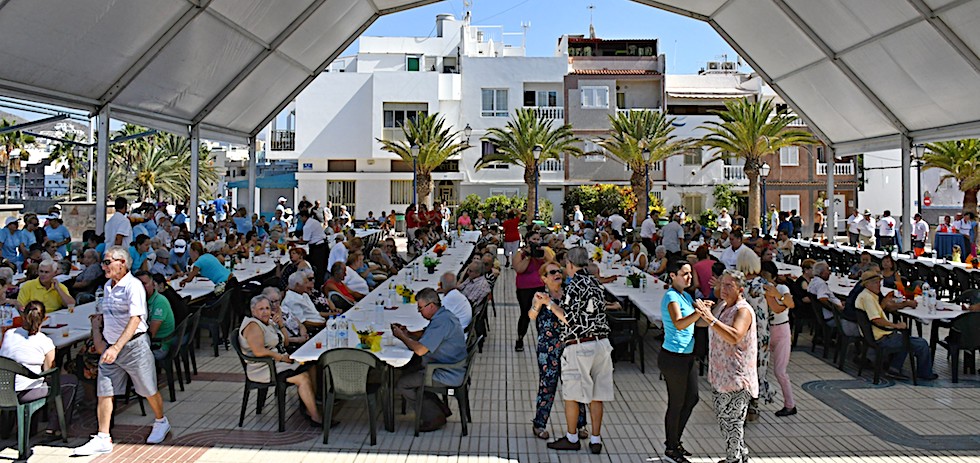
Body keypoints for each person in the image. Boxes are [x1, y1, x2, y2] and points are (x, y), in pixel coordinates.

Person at [72, 246, 171, 456]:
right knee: (105, 391)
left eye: (108, 262)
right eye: (103, 262)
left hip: (134, 346)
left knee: (148, 389)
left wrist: (117, 347)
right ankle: (103, 436)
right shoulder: (108, 286)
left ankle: (161, 421)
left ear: (122, 263)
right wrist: (100, 329)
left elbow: (136, 319)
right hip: (112, 347)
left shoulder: (133, 286)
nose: (104, 266)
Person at [537, 247, 612, 454]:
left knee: (572, 394)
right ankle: (596, 439)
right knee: (597, 395)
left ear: (570, 264)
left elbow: (569, 318)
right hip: (602, 344)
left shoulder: (574, 285)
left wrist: (549, 304)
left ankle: (571, 437)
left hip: (580, 345)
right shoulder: (596, 282)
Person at [694, 269, 757, 463]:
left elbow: (734, 335)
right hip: (720, 375)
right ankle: (741, 453)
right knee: (725, 421)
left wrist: (710, 319)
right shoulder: (722, 306)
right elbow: (704, 325)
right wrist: (702, 313)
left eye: (730, 285)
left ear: (740, 289)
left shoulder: (743, 310)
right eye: (723, 284)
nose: (724, 289)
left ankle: (734, 459)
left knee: (733, 422)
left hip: (737, 377)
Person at [239, 294, 322, 425]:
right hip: (264, 368)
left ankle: (310, 404)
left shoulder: (268, 323)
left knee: (311, 365)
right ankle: (315, 417)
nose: (265, 311)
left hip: (277, 363)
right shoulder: (253, 326)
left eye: (267, 308)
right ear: (253, 311)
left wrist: (280, 325)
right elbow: (258, 351)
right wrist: (281, 357)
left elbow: (286, 343)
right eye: (261, 309)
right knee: (303, 377)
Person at [0, 300, 78, 438]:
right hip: (25, 393)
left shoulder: (9, 334)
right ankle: (54, 428)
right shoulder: (45, 342)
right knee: (70, 382)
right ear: (44, 318)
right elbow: (49, 372)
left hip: (4, 389)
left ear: (22, 316)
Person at [393, 288, 467, 431]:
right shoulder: (443, 315)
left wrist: (402, 337)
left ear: (431, 306)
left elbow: (420, 350)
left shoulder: (441, 322)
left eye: (420, 308)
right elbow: (427, 334)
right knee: (410, 371)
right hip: (448, 365)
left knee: (403, 384)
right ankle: (440, 409)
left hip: (446, 372)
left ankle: (433, 417)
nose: (419, 311)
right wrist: (408, 333)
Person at [529, 262, 588, 441]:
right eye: (552, 272)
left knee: (575, 385)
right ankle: (539, 423)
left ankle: (580, 424)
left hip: (570, 347)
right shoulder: (540, 295)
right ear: (544, 279)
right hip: (548, 349)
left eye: (559, 271)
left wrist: (550, 304)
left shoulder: (570, 294)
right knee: (547, 387)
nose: (557, 275)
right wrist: (538, 305)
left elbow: (573, 320)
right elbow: (531, 316)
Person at [855, 270, 938, 380]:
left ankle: (894, 368)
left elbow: (879, 311)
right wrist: (895, 325)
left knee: (903, 336)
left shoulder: (867, 295)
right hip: (881, 337)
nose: (878, 285)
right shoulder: (868, 298)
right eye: (875, 282)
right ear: (867, 284)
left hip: (875, 335)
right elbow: (876, 319)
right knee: (921, 344)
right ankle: (925, 374)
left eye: (879, 282)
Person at [659, 262, 702, 463]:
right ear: (672, 275)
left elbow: (696, 321)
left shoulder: (686, 296)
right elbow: (679, 322)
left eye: (690, 274)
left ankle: (675, 440)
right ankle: (671, 446)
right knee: (676, 403)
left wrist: (712, 311)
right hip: (673, 357)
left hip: (687, 355)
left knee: (692, 398)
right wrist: (698, 313)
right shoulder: (671, 296)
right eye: (684, 274)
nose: (688, 277)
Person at [736, 250, 774, 421]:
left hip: (743, 333)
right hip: (762, 334)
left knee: (742, 369)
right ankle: (754, 407)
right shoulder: (764, 285)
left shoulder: (738, 285)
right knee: (759, 369)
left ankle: (741, 406)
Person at [760, 261, 796, 417]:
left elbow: (789, 304)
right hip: (765, 330)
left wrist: (776, 295)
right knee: (758, 369)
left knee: (780, 371)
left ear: (773, 277)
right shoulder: (758, 290)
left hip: (781, 330)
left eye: (766, 277)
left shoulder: (781, 288)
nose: (764, 280)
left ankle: (790, 405)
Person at [514, 229, 547, 352]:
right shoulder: (520, 254)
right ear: (527, 240)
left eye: (538, 239)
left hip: (539, 286)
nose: (536, 242)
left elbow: (551, 263)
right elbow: (519, 269)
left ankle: (542, 339)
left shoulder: (542, 252)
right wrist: (528, 257)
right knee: (525, 313)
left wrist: (542, 255)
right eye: (534, 239)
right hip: (524, 288)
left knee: (541, 314)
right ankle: (520, 338)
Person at [136, 271, 175, 361]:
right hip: (149, 342)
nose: (141, 287)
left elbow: (151, 334)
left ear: (153, 284)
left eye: (144, 284)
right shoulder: (139, 301)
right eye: (138, 284)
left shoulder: (159, 301)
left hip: (159, 346)